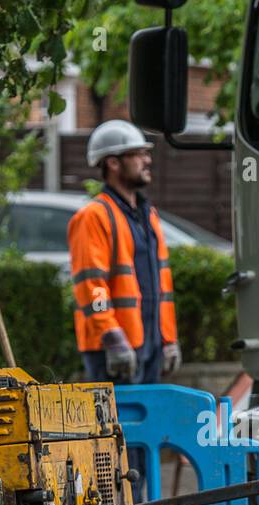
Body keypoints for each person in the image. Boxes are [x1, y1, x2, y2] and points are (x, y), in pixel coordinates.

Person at [67, 120, 181, 386]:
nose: (147, 160)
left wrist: (169, 339)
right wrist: (111, 337)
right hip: (114, 349)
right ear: (113, 163)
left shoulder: (148, 216)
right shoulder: (93, 216)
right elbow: (91, 286)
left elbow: (162, 285)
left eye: (146, 153)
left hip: (148, 344)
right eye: (138, 154)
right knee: (117, 427)